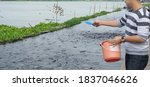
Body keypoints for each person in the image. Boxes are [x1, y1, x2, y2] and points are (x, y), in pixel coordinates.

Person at [93, 0, 150, 70]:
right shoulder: (130, 13)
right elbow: (119, 22)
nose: (124, 1)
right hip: (130, 53)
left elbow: (142, 37)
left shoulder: (143, 15)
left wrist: (122, 38)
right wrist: (101, 22)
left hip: (138, 56)